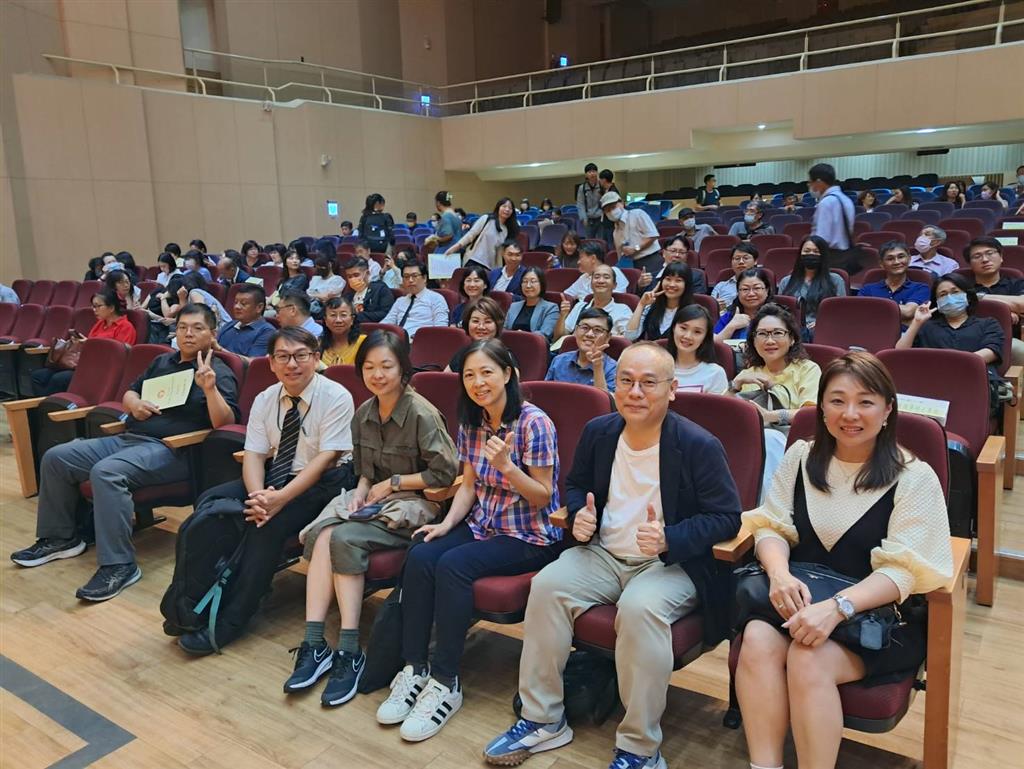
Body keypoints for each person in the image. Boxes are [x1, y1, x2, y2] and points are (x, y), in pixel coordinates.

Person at [485, 342, 741, 769]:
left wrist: (670, 537)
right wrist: (581, 516)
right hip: (604, 553)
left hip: (669, 563)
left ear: (672, 390)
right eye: (626, 381)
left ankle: (640, 748)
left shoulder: (699, 445)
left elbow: (727, 518)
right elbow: (575, 486)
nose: (635, 392)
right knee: (546, 586)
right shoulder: (599, 432)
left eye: (648, 383)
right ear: (614, 385)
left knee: (639, 609)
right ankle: (543, 719)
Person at [736, 352, 953, 769]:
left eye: (865, 402)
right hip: (800, 600)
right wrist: (778, 576)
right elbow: (771, 527)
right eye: (837, 401)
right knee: (758, 638)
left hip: (878, 619)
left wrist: (838, 608)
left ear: (887, 410)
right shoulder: (801, 456)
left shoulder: (913, 476)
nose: (849, 414)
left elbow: (903, 571)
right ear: (821, 407)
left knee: (807, 658)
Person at [377, 339, 560, 742]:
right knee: (422, 552)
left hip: (529, 534)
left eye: (487, 373)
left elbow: (543, 497)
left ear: (508, 374)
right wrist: (445, 525)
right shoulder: (472, 422)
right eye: (469, 375)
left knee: (453, 566)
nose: (478, 383)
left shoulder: (535, 423)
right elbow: (469, 486)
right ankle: (414, 668)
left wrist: (507, 467)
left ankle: (446, 680)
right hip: (484, 524)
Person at [11, 304, 239, 600]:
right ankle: (61, 538)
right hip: (130, 438)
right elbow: (131, 391)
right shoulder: (162, 361)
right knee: (57, 458)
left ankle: (119, 565)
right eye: (183, 327)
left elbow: (225, 423)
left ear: (213, 334)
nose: (188, 334)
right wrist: (134, 404)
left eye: (198, 328)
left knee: (107, 472)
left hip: (174, 450)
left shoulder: (218, 370)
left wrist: (209, 389)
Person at [284, 330, 459, 705]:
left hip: (416, 507)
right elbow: (365, 473)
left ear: (403, 369)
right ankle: (315, 643)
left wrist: (394, 483)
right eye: (369, 367)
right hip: (376, 502)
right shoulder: (363, 414)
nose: (377, 375)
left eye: (386, 366)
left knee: (341, 538)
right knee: (321, 534)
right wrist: (362, 492)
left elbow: (445, 474)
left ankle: (349, 649)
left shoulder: (422, 414)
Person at [175, 327, 356, 654]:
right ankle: (191, 604)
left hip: (325, 483)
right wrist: (259, 497)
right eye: (283, 357)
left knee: (266, 526)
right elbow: (255, 455)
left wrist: (279, 500)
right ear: (271, 363)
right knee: (210, 503)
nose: (292, 364)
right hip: (278, 476)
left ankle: (232, 619)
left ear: (316, 358)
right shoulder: (265, 398)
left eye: (301, 356)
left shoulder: (336, 396)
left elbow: (326, 458)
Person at [731, 303, 822, 489]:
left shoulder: (807, 369)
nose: (769, 340)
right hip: (747, 446)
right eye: (762, 334)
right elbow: (722, 416)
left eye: (778, 333)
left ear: (792, 339)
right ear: (753, 340)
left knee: (769, 437)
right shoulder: (749, 373)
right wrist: (734, 386)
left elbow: (810, 414)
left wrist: (769, 416)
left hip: (796, 443)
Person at [31, 289, 137, 396]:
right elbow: (90, 344)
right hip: (84, 364)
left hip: (102, 369)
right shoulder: (100, 324)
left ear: (111, 308)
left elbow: (120, 355)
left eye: (98, 306)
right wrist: (81, 342)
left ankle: (48, 404)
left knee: (58, 379)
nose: (94, 310)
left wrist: (90, 344)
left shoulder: (126, 327)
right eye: (93, 306)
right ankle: (44, 403)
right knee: (38, 375)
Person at [895, 273, 1004, 373]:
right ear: (937, 302)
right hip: (934, 379)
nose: (950, 298)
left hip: (976, 376)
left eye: (955, 292)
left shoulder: (988, 323)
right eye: (943, 295)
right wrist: (916, 322)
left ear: (968, 296)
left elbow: (992, 351)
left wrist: (953, 366)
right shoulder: (926, 326)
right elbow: (900, 354)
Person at [964, 236, 1024, 365]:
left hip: (1008, 340)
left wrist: (978, 297)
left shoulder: (1016, 283)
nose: (985, 259)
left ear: (1001, 257)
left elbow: (1022, 304)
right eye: (977, 256)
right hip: (969, 338)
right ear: (970, 263)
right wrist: (1006, 311)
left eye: (990, 253)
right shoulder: (961, 286)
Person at [778, 235, 846, 336]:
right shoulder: (786, 281)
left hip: (824, 330)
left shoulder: (836, 280)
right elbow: (780, 311)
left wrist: (821, 322)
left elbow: (840, 311)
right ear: (800, 254)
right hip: (792, 331)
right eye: (807, 251)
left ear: (823, 255)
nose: (811, 254)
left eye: (816, 251)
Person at [858, 240, 930, 326]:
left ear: (909, 259)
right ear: (881, 264)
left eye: (901, 257)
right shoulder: (867, 289)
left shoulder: (921, 288)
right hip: (873, 332)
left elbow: (908, 312)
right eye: (890, 258)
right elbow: (861, 313)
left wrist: (874, 309)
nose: (896, 262)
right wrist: (903, 319)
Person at [545, 308, 617, 393]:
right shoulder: (559, 361)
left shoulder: (614, 369)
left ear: (607, 337)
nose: (589, 334)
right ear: (576, 330)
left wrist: (597, 366)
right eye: (585, 328)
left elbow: (605, 400)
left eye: (597, 330)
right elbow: (545, 394)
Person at [556, 262, 632, 340]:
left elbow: (628, 339)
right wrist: (563, 315)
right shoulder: (580, 306)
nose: (601, 281)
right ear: (591, 284)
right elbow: (559, 337)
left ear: (614, 285)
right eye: (597, 277)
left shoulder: (623, 309)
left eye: (606, 277)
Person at [665, 305, 728, 393]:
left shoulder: (715, 373)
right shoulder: (656, 368)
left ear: (705, 337)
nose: (688, 336)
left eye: (697, 332)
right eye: (683, 328)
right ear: (673, 328)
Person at [625, 262, 695, 342]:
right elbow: (629, 337)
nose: (672, 284)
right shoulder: (650, 307)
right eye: (668, 279)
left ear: (687, 285)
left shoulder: (692, 313)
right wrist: (641, 304)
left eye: (678, 280)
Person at [381, 260, 449, 339]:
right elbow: (385, 324)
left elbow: (441, 330)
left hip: (422, 342)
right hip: (397, 342)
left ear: (424, 278)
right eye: (406, 277)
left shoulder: (436, 299)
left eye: (414, 276)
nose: (410, 280)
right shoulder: (400, 301)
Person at [808, 163, 857, 273]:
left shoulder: (826, 203)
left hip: (829, 257)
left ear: (819, 182)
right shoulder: (846, 200)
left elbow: (821, 238)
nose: (810, 186)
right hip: (845, 254)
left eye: (811, 182)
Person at [446, 198, 519, 270]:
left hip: (489, 266)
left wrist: (498, 270)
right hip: (474, 259)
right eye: (504, 206)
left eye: (510, 208)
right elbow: (471, 235)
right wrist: (455, 247)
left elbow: (500, 253)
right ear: (498, 208)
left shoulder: (506, 230)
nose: (507, 209)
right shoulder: (486, 219)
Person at [602, 192, 661, 272]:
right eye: (607, 210)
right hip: (631, 265)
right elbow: (620, 255)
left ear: (622, 203)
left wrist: (636, 248)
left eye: (613, 207)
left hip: (650, 260)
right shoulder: (615, 232)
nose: (611, 212)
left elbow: (653, 236)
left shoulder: (637, 214)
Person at [714, 269, 775, 343]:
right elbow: (712, 344)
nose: (751, 294)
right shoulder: (729, 316)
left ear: (767, 290)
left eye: (757, 288)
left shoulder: (778, 316)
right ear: (738, 292)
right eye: (745, 289)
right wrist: (731, 326)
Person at [215, 283, 274, 359]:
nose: (237, 307)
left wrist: (220, 350)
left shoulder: (267, 332)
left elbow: (253, 363)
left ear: (259, 307)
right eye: (235, 302)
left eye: (243, 304)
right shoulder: (230, 325)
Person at [635, 235, 708, 296]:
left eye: (681, 252)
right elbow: (641, 301)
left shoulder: (696, 276)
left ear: (686, 256)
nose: (677, 255)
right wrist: (640, 286)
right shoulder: (651, 277)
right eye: (673, 251)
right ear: (664, 253)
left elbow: (696, 301)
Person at [505, 267, 560, 341]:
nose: (528, 285)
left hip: (533, 345)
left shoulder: (551, 308)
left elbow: (545, 334)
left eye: (533, 281)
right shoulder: (514, 306)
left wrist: (522, 335)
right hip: (510, 343)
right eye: (525, 281)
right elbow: (504, 329)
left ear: (541, 284)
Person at [564, 241, 629, 300]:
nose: (578, 262)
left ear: (593, 258)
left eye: (581, 257)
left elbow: (617, 299)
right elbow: (566, 295)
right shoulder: (584, 277)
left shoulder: (613, 272)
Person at [342, 256, 395, 324]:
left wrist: (356, 316)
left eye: (356, 275)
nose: (352, 279)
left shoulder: (380, 289)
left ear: (367, 273)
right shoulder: (348, 295)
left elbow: (387, 314)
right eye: (349, 276)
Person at [319, 296, 366, 366]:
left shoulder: (364, 343)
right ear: (325, 320)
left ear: (352, 319)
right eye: (333, 315)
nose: (338, 320)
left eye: (343, 315)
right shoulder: (318, 345)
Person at [711, 242, 759, 311]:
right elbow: (710, 311)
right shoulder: (720, 286)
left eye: (745, 258)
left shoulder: (762, 284)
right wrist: (715, 308)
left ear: (755, 261)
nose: (741, 262)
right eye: (737, 258)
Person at [577, 162, 604, 238]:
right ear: (586, 175)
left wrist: (603, 214)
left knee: (601, 240)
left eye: (594, 171)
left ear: (597, 173)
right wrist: (583, 218)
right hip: (588, 219)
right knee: (589, 240)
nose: (592, 174)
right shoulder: (582, 188)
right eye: (589, 172)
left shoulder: (601, 185)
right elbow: (580, 204)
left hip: (600, 218)